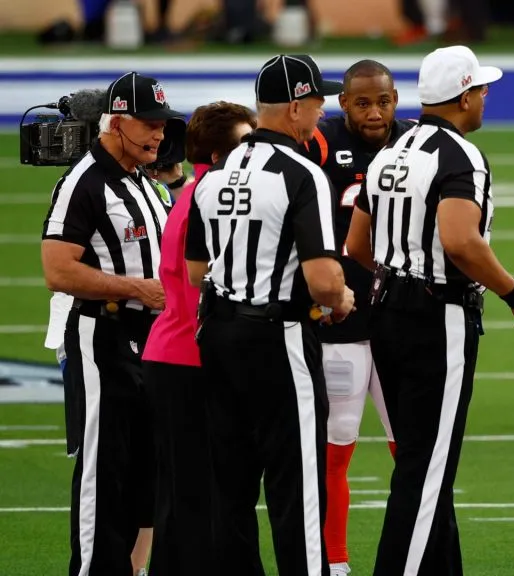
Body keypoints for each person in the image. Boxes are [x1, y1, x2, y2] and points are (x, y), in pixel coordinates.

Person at [345, 45, 514, 576]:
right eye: (480, 90)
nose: (485, 99)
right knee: (426, 469)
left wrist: (399, 271)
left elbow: (358, 245)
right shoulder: (460, 156)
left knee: (419, 460)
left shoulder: (392, 148)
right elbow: (460, 241)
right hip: (437, 314)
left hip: (387, 304)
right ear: (463, 96)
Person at [184, 54, 354, 576]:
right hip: (277, 336)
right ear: (297, 106)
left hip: (218, 333)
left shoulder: (215, 173)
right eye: (318, 101)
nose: (323, 111)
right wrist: (342, 299)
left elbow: (195, 272)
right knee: (297, 485)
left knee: (231, 485)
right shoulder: (301, 172)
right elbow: (325, 281)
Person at [40, 71, 182, 576]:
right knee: (104, 470)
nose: (159, 135)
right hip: (103, 337)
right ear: (116, 122)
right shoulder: (85, 181)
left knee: (149, 469)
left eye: (162, 125)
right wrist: (136, 289)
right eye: (148, 125)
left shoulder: (142, 180)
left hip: (154, 339)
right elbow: (58, 270)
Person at [303, 59, 415, 576]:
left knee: (411, 445)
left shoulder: (415, 142)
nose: (376, 112)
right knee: (337, 441)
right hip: (340, 312)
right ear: (343, 102)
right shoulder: (320, 142)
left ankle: (419, 557)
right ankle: (335, 563)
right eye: (363, 102)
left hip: (399, 312)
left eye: (385, 101)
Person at [141, 101, 256, 576]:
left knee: (186, 494)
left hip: (174, 351)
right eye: (248, 142)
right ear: (222, 151)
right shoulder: (214, 194)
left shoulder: (196, 192)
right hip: (192, 355)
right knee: (204, 494)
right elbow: (202, 278)